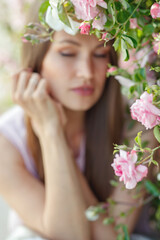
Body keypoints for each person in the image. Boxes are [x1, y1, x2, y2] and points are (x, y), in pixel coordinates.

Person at [0, 1, 156, 240]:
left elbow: (111, 236)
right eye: (68, 53)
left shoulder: (140, 125)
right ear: (36, 61)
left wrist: (54, 133)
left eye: (100, 54)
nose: (86, 72)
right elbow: (68, 235)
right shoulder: (7, 140)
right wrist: (50, 132)